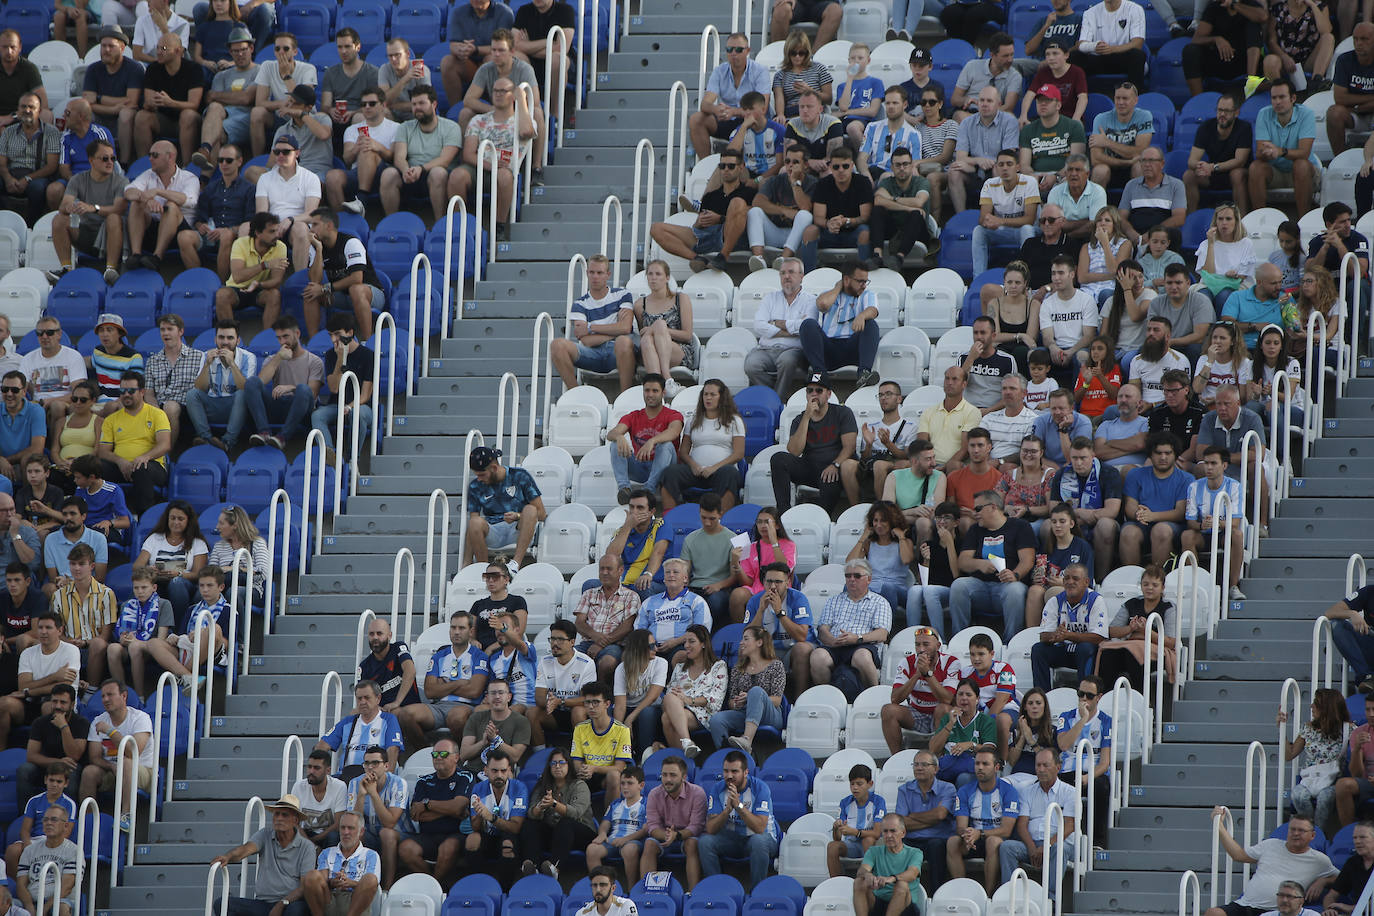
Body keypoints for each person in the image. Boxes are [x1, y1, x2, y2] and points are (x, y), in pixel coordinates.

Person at [1205, 814, 1336, 916]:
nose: (1296, 833)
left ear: (1312, 835)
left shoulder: (1319, 860)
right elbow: (1238, 855)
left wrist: (1323, 881)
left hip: (1278, 911)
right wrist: (1219, 825)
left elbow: (1341, 878)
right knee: (1213, 913)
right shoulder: (1271, 844)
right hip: (1245, 905)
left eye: (1301, 830)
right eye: (1292, 829)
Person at [455, 76, 536, 241]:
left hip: (505, 171)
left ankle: (498, 227)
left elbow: (527, 133)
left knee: (504, 176)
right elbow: (468, 154)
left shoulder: (522, 122)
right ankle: (458, 225)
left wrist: (521, 99)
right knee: (457, 175)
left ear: (512, 95)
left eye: (503, 91)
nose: (498, 94)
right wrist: (491, 165)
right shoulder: (478, 120)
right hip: (481, 166)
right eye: (495, 91)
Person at [950, 490, 1036, 641]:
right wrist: (979, 564)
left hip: (1007, 587)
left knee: (1015, 590)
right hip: (980, 587)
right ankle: (960, 639)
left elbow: (1027, 560)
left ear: (993, 507)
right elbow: (962, 561)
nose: (974, 513)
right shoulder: (975, 529)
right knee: (959, 585)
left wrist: (1015, 575)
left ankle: (1011, 642)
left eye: (978, 509)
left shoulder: (1020, 526)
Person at [651, 147, 754, 273]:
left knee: (737, 203)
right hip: (706, 236)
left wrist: (720, 218)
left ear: (741, 167)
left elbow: (752, 216)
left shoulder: (749, 192)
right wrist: (699, 223)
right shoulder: (711, 196)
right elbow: (700, 225)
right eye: (722, 166)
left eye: (731, 166)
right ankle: (697, 259)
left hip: (729, 238)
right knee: (656, 229)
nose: (726, 169)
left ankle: (723, 256)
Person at [770, 370, 857, 513]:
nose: (814, 394)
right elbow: (794, 451)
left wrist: (835, 465)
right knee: (779, 459)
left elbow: (850, 446)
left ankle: (822, 518)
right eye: (810, 390)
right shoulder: (800, 419)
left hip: (835, 468)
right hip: (810, 467)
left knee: (829, 478)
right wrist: (807, 417)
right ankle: (784, 512)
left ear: (828, 394)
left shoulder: (842, 413)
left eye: (819, 390)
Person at [998, 747, 1078, 895]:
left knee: (1058, 849)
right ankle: (1008, 896)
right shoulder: (1027, 791)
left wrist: (1047, 845)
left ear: (1058, 768)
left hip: (1060, 844)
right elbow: (1022, 825)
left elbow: (1069, 826)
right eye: (1038, 765)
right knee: (1007, 847)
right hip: (1034, 845)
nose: (1040, 769)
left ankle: (1051, 899)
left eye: (1045, 765)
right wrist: (1032, 848)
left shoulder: (1070, 792)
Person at [77, 679, 153, 832]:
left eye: (110, 695)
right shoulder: (98, 721)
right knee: (89, 771)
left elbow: (133, 752)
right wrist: (111, 766)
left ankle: (126, 816)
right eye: (103, 696)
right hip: (113, 771)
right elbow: (95, 757)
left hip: (142, 771)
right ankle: (88, 822)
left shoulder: (140, 718)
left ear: (124, 696)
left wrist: (110, 732)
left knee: (126, 763)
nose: (105, 699)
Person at [697, 749, 780, 888]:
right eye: (726, 771)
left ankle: (757, 892)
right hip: (731, 839)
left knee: (758, 842)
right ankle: (716, 889)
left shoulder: (760, 788)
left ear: (746, 772)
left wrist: (739, 806)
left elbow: (760, 828)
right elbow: (711, 828)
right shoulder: (718, 789)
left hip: (760, 837)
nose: (729, 776)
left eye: (734, 771)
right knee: (705, 842)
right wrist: (727, 810)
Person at [946, 746, 1020, 894]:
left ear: (997, 767)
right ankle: (961, 893)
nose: (980, 768)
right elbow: (960, 826)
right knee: (953, 842)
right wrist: (967, 834)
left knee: (992, 841)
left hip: (997, 841)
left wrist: (979, 833)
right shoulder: (965, 791)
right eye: (977, 763)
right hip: (973, 839)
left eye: (985, 764)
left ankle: (988, 894)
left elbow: (1006, 830)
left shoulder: (1009, 791)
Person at [663, 380, 745, 513]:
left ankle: (721, 518)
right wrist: (694, 466)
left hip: (721, 471)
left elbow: (739, 453)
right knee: (669, 473)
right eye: (705, 394)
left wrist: (714, 468)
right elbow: (683, 452)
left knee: (730, 474)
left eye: (713, 394)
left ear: (722, 397)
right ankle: (670, 517)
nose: (708, 398)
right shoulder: (693, 420)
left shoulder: (734, 421)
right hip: (697, 471)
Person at [462, 445, 545, 570]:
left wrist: (517, 516)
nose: (479, 479)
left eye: (482, 474)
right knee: (474, 522)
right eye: (477, 475)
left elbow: (541, 513)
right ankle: (483, 569)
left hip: (519, 529)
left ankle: (514, 565)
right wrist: (466, 563)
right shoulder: (475, 486)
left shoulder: (520, 475)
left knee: (530, 509)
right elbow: (472, 529)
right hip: (493, 531)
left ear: (494, 468)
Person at [707, 625, 786, 755]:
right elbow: (731, 702)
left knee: (756, 691)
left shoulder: (776, 665)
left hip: (770, 714)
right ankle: (727, 756)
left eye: (746, 639)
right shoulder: (738, 669)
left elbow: (777, 700)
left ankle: (746, 740)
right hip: (744, 712)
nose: (741, 642)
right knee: (716, 720)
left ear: (759, 642)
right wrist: (738, 702)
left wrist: (750, 697)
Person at [1277, 688, 1347, 833]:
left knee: (1324, 798)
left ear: (1327, 708)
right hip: (1310, 778)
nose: (1311, 707)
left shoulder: (1348, 730)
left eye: (1316, 704)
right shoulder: (1308, 728)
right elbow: (1289, 755)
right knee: (1298, 795)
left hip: (1333, 780)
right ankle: (1307, 830)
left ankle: (1317, 834)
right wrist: (1281, 729)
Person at [691, 31, 771, 157]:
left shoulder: (760, 71)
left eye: (738, 49)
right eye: (729, 49)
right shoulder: (719, 71)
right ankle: (705, 166)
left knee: (755, 116)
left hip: (752, 120)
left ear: (748, 51)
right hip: (727, 118)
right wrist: (716, 109)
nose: (733, 54)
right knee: (696, 119)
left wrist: (734, 111)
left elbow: (762, 108)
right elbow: (705, 104)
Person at [744, 257, 817, 395]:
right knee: (751, 365)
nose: (786, 276)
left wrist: (776, 323)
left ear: (801, 276)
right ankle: (771, 395)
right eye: (782, 273)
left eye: (791, 272)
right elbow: (758, 325)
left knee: (787, 361)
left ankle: (778, 398)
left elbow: (807, 327)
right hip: (766, 349)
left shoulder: (811, 300)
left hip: (794, 349)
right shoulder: (770, 298)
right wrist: (792, 330)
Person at [883, 625, 960, 753]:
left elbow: (947, 699)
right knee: (888, 711)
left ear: (938, 645)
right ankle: (896, 758)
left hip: (940, 714)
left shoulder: (951, 662)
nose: (921, 649)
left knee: (943, 709)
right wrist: (916, 675)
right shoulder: (907, 662)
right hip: (916, 713)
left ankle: (939, 758)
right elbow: (895, 699)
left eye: (926, 644)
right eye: (917, 645)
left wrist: (927, 674)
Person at [1029, 564, 1107, 689]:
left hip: (1086, 652)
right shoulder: (1055, 601)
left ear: (1086, 582)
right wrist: (1056, 635)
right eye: (1067, 578)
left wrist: (1069, 635)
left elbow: (1098, 637)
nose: (1070, 582)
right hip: (1063, 649)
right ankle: (1042, 695)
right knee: (1038, 650)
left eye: (1075, 578)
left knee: (1085, 648)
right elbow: (1044, 636)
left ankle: (1085, 694)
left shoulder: (1096, 600)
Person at [802, 261, 880, 384]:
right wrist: (838, 287)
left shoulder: (867, 294)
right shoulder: (829, 295)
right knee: (808, 325)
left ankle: (864, 374)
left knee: (871, 324)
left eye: (866, 281)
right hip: (829, 348)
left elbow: (873, 310)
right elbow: (822, 304)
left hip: (852, 347)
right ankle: (820, 374)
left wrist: (862, 316)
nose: (864, 285)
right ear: (847, 280)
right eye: (860, 281)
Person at [13, 681, 86, 810]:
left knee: (73, 772)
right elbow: (31, 756)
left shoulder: (81, 723)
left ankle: (69, 818)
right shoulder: (40, 723)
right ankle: (25, 816)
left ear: (72, 704)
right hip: (46, 766)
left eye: (63, 702)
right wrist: (58, 762)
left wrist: (64, 727)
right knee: (24, 770)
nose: (57, 706)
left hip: (70, 767)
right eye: (54, 701)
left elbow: (75, 755)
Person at [326, 87, 399, 217]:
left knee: (368, 149)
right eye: (363, 104)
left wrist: (378, 147)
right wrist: (356, 148)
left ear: (383, 105)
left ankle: (361, 200)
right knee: (332, 177)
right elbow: (347, 159)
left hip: (384, 173)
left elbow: (392, 158)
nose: (367, 107)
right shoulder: (352, 129)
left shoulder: (396, 127)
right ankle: (343, 222)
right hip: (358, 172)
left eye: (372, 104)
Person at [1250, 80, 1320, 215]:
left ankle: (1303, 219)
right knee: (1256, 167)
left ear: (1293, 98)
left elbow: (1304, 153)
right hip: (1276, 171)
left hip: (1306, 172)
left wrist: (1279, 151)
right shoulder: (1263, 114)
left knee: (1301, 165)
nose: (1277, 102)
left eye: (1281, 97)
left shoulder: (1307, 114)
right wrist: (1267, 152)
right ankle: (1258, 218)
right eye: (1274, 98)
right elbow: (1259, 153)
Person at [133, 34, 203, 166]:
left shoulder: (193, 69)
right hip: (163, 120)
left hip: (190, 122)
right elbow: (148, 100)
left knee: (187, 115)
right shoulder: (153, 69)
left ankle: (187, 166)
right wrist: (150, 104)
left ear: (178, 51)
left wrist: (170, 103)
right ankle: (144, 166)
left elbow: (193, 104)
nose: (158, 52)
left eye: (164, 48)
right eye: (158, 48)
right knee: (142, 116)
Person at [659, 623, 727, 760]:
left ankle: (684, 750)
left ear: (703, 644)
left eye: (691, 641)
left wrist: (688, 700)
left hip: (705, 713)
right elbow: (669, 699)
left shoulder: (718, 666)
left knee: (668, 715)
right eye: (685, 642)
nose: (686, 646)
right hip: (679, 710)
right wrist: (679, 699)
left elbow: (715, 702)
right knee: (666, 714)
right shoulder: (680, 668)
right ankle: (687, 748)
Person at [527, 618, 597, 749]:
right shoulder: (545, 662)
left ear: (572, 642)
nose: (555, 643)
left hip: (576, 712)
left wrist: (560, 701)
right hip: (553, 712)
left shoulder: (586, 663)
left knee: (578, 711)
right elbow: (539, 697)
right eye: (552, 639)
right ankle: (541, 756)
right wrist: (552, 702)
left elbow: (588, 699)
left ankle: (583, 754)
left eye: (560, 639)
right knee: (532, 713)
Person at [947, 87, 1019, 214]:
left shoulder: (1009, 121)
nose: (985, 104)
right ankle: (961, 217)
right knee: (955, 171)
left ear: (999, 104)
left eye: (989, 101)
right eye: (982, 100)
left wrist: (989, 162)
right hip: (974, 169)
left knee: (1001, 167)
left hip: (997, 168)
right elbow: (960, 157)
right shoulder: (966, 123)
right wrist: (978, 161)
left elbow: (1008, 157)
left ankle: (1001, 216)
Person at [462, 748, 527, 886]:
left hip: (510, 835)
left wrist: (491, 817)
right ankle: (476, 886)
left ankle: (505, 890)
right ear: (486, 771)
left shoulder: (519, 788)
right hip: (487, 835)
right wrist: (480, 815)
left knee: (508, 845)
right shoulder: (478, 788)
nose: (499, 775)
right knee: (472, 839)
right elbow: (475, 827)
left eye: (503, 771)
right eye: (494, 771)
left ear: (509, 770)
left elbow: (515, 828)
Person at [640, 755, 708, 885]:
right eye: (664, 775)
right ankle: (645, 891)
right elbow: (653, 826)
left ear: (684, 777)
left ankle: (692, 893)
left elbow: (696, 827)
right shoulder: (654, 793)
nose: (667, 779)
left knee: (692, 844)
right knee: (649, 844)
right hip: (664, 838)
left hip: (687, 837)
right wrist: (667, 835)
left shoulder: (697, 793)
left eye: (673, 775)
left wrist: (676, 836)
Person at [895, 750, 955, 894]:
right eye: (916, 764)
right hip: (912, 840)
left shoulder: (948, 788)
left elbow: (940, 814)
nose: (919, 768)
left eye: (924, 764)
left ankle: (936, 895)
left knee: (936, 846)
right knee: (894, 842)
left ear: (935, 769)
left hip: (937, 841)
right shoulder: (904, 789)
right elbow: (900, 824)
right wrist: (932, 820)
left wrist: (913, 815)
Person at [315, 681, 403, 776]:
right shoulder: (348, 721)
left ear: (378, 698)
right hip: (346, 778)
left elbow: (393, 750)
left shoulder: (388, 720)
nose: (363, 702)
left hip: (375, 778)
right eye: (359, 698)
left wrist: (388, 779)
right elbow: (321, 746)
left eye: (367, 698)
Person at [636, 557, 712, 669]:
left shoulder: (697, 601)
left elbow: (701, 631)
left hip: (683, 646)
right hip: (651, 647)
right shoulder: (650, 602)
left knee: (681, 657)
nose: (671, 575)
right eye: (668, 572)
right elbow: (639, 629)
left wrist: (676, 642)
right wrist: (650, 645)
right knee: (629, 656)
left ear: (685, 578)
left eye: (675, 572)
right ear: (664, 578)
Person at [82, 28, 142, 167]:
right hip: (102, 115)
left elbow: (131, 101)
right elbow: (87, 102)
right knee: (82, 110)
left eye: (111, 46)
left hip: (125, 118)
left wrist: (98, 98)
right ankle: (84, 160)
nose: (106, 50)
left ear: (122, 48)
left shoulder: (134, 68)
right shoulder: (93, 69)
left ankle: (124, 163)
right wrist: (114, 108)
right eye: (103, 46)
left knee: (125, 114)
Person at [1184, 92, 1253, 213]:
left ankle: (1243, 220)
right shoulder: (1206, 127)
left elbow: (1240, 161)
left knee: (1236, 174)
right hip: (1213, 173)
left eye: (1227, 111)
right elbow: (1192, 160)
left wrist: (1213, 167)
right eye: (1220, 110)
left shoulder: (1244, 128)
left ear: (1236, 113)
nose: (1222, 114)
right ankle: (1191, 218)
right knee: (1189, 176)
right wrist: (1201, 166)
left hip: (1237, 173)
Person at [1182, 0, 1266, 96]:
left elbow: (1262, 17)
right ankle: (1198, 99)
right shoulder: (1214, 8)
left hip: (1244, 61)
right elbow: (1196, 39)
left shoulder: (1251, 4)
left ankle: (1251, 82)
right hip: (1221, 59)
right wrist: (1216, 39)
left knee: (1253, 25)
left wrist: (1233, 5)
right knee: (1190, 51)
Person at [441, 0, 515, 106]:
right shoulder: (458, 13)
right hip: (468, 62)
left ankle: (497, 107)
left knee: (493, 59)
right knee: (447, 62)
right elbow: (453, 44)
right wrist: (460, 49)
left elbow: (503, 48)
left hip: (491, 58)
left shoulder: (504, 13)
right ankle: (455, 109)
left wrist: (476, 49)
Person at [570, 680, 633, 804]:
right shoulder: (580, 728)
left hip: (606, 775)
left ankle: (610, 819)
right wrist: (582, 770)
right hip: (586, 774)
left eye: (596, 702)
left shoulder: (622, 730)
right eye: (587, 702)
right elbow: (576, 761)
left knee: (614, 776)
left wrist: (594, 768)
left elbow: (619, 768)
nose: (591, 707)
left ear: (607, 704)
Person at [0, 93, 59, 224]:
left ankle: (32, 225)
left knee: (37, 188)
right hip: (12, 173)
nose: (27, 110)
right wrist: (8, 178)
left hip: (37, 175)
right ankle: (4, 223)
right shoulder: (8, 132)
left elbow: (52, 166)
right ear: (18, 110)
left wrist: (28, 179)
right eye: (23, 107)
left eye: (31, 107)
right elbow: (1, 162)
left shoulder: (51, 132)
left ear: (40, 111)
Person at [1039, 257, 1099, 385]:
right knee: (1035, 355)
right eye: (1053, 273)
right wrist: (1053, 346)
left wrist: (1071, 351)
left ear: (1072, 274)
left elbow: (1089, 336)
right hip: (1056, 348)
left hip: (1079, 348)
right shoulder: (1047, 303)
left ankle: (1076, 402)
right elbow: (1046, 336)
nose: (1056, 278)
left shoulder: (1087, 300)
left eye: (1061, 273)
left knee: (1082, 356)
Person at [1019, 86, 1086, 197]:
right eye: (1040, 101)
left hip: (1065, 178)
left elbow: (1076, 163)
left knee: (1070, 182)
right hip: (1037, 178)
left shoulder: (1074, 127)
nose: (1043, 104)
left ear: (1058, 105)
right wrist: (1033, 176)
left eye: (1048, 100)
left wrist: (1055, 175)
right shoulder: (1028, 129)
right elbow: (1024, 164)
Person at [586, 768, 648, 886]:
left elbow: (645, 829)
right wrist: (602, 834)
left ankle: (632, 888)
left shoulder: (646, 803)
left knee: (629, 849)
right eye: (622, 783)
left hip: (634, 841)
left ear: (641, 785)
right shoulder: (615, 803)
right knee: (592, 850)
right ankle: (603, 886)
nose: (625, 787)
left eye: (630, 783)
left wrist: (625, 839)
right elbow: (605, 823)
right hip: (613, 840)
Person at [1087, 82, 1153, 193]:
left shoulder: (1144, 116)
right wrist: (1125, 162)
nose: (1121, 102)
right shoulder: (1101, 119)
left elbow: (1140, 151)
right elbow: (1095, 158)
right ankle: (1096, 208)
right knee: (1100, 170)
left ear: (1135, 101)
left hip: (1134, 166)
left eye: (1125, 98)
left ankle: (1140, 208)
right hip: (1110, 166)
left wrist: (1107, 142)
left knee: (1139, 167)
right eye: (1118, 98)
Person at [907, 503, 961, 635]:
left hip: (953, 591)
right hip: (930, 588)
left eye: (947, 518)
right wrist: (926, 560)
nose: (942, 522)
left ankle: (939, 638)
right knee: (914, 590)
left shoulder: (962, 544)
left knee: (930, 591)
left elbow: (956, 575)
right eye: (938, 518)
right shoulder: (929, 544)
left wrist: (949, 544)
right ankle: (910, 636)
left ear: (956, 522)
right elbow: (923, 581)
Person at [15, 806, 78, 916]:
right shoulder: (30, 850)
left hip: (60, 901)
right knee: (10, 904)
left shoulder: (74, 851)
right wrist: (29, 906)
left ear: (66, 825)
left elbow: (66, 888)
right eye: (45, 819)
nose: (48, 823)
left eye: (54, 819)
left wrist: (44, 909)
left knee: (61, 908)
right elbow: (21, 884)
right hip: (31, 901)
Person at [1072, 0, 1147, 91]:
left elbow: (1137, 43)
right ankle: (1077, 98)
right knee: (1074, 56)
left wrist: (1112, 49)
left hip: (1123, 58)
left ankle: (1135, 98)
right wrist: (1095, 47)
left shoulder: (1135, 9)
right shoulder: (1090, 13)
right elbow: (1082, 43)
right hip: (1099, 58)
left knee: (1137, 55)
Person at [612, 629, 667, 752]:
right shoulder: (622, 668)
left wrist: (630, 719)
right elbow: (620, 705)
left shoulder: (661, 663)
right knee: (610, 714)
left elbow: (652, 697)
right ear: (638, 648)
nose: (656, 649)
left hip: (650, 707)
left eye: (656, 644)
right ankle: (618, 752)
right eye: (651, 646)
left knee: (646, 713)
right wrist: (620, 731)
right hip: (628, 708)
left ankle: (643, 755)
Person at [460, 678, 531, 771]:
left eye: (501, 693)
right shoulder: (476, 717)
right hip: (473, 772)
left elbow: (515, 756)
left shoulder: (521, 721)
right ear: (487, 697)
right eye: (493, 693)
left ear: (509, 697)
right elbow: (463, 755)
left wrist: (495, 739)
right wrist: (483, 742)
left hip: (501, 775)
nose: (497, 696)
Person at [1327, 23, 1374, 156]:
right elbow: (1340, 98)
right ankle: (1340, 158)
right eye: (1355, 39)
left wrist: (1356, 106)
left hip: (1356, 109)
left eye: (1364, 39)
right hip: (1355, 114)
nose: (1359, 43)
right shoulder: (1344, 60)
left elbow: (1346, 98)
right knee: (1334, 113)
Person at [858, 87, 921, 185]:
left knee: (885, 177)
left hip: (895, 178)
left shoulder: (913, 134)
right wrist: (866, 176)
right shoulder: (872, 127)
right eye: (887, 103)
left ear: (905, 105)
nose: (890, 106)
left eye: (895, 103)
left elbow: (913, 165)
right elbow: (862, 158)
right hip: (872, 173)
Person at [949, 33, 1021, 117]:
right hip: (970, 113)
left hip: (996, 115)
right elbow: (954, 99)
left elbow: (1008, 107)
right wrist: (967, 100)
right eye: (1005, 56)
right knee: (959, 115)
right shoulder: (972, 66)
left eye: (1012, 54)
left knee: (1010, 116)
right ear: (992, 55)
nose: (1010, 60)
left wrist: (985, 114)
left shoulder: (1015, 76)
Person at [1094, 382, 1148, 469]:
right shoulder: (1105, 425)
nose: (1123, 400)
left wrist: (1110, 443)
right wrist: (1133, 447)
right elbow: (1099, 452)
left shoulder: (1146, 423)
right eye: (1120, 396)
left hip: (1135, 470)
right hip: (1108, 472)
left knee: (1128, 469)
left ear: (1139, 403)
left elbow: (1139, 444)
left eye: (1128, 396)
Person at [1321, 824, 1374, 911]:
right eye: (1355, 838)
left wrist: (1351, 908)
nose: (1357, 841)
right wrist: (1329, 909)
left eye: (1362, 837)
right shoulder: (1353, 862)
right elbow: (1332, 895)